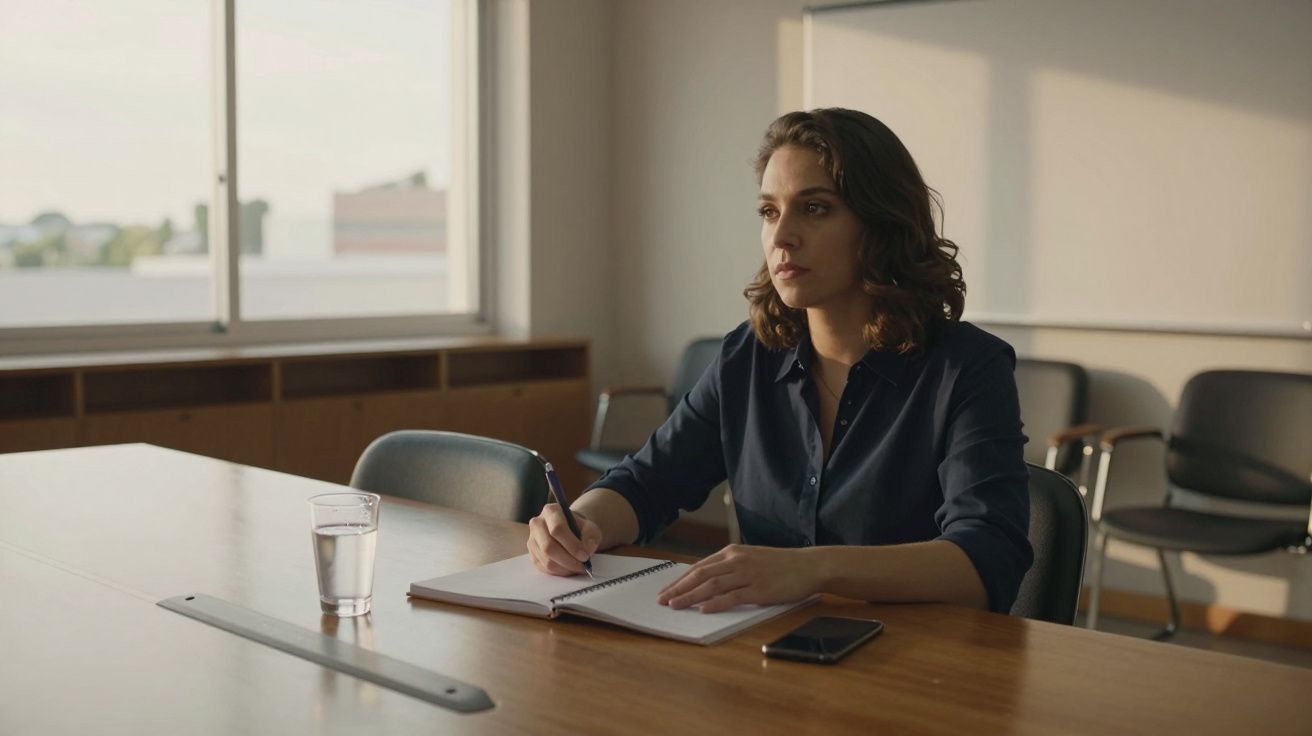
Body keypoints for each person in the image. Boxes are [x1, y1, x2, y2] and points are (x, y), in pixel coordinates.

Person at [527, 108, 1032, 615]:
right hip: (768, 653)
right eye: (769, 212)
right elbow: (645, 484)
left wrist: (811, 568)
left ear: (881, 225)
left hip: (916, 664)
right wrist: (577, 523)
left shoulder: (967, 367)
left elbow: (985, 558)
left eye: (814, 208)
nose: (781, 236)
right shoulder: (747, 357)